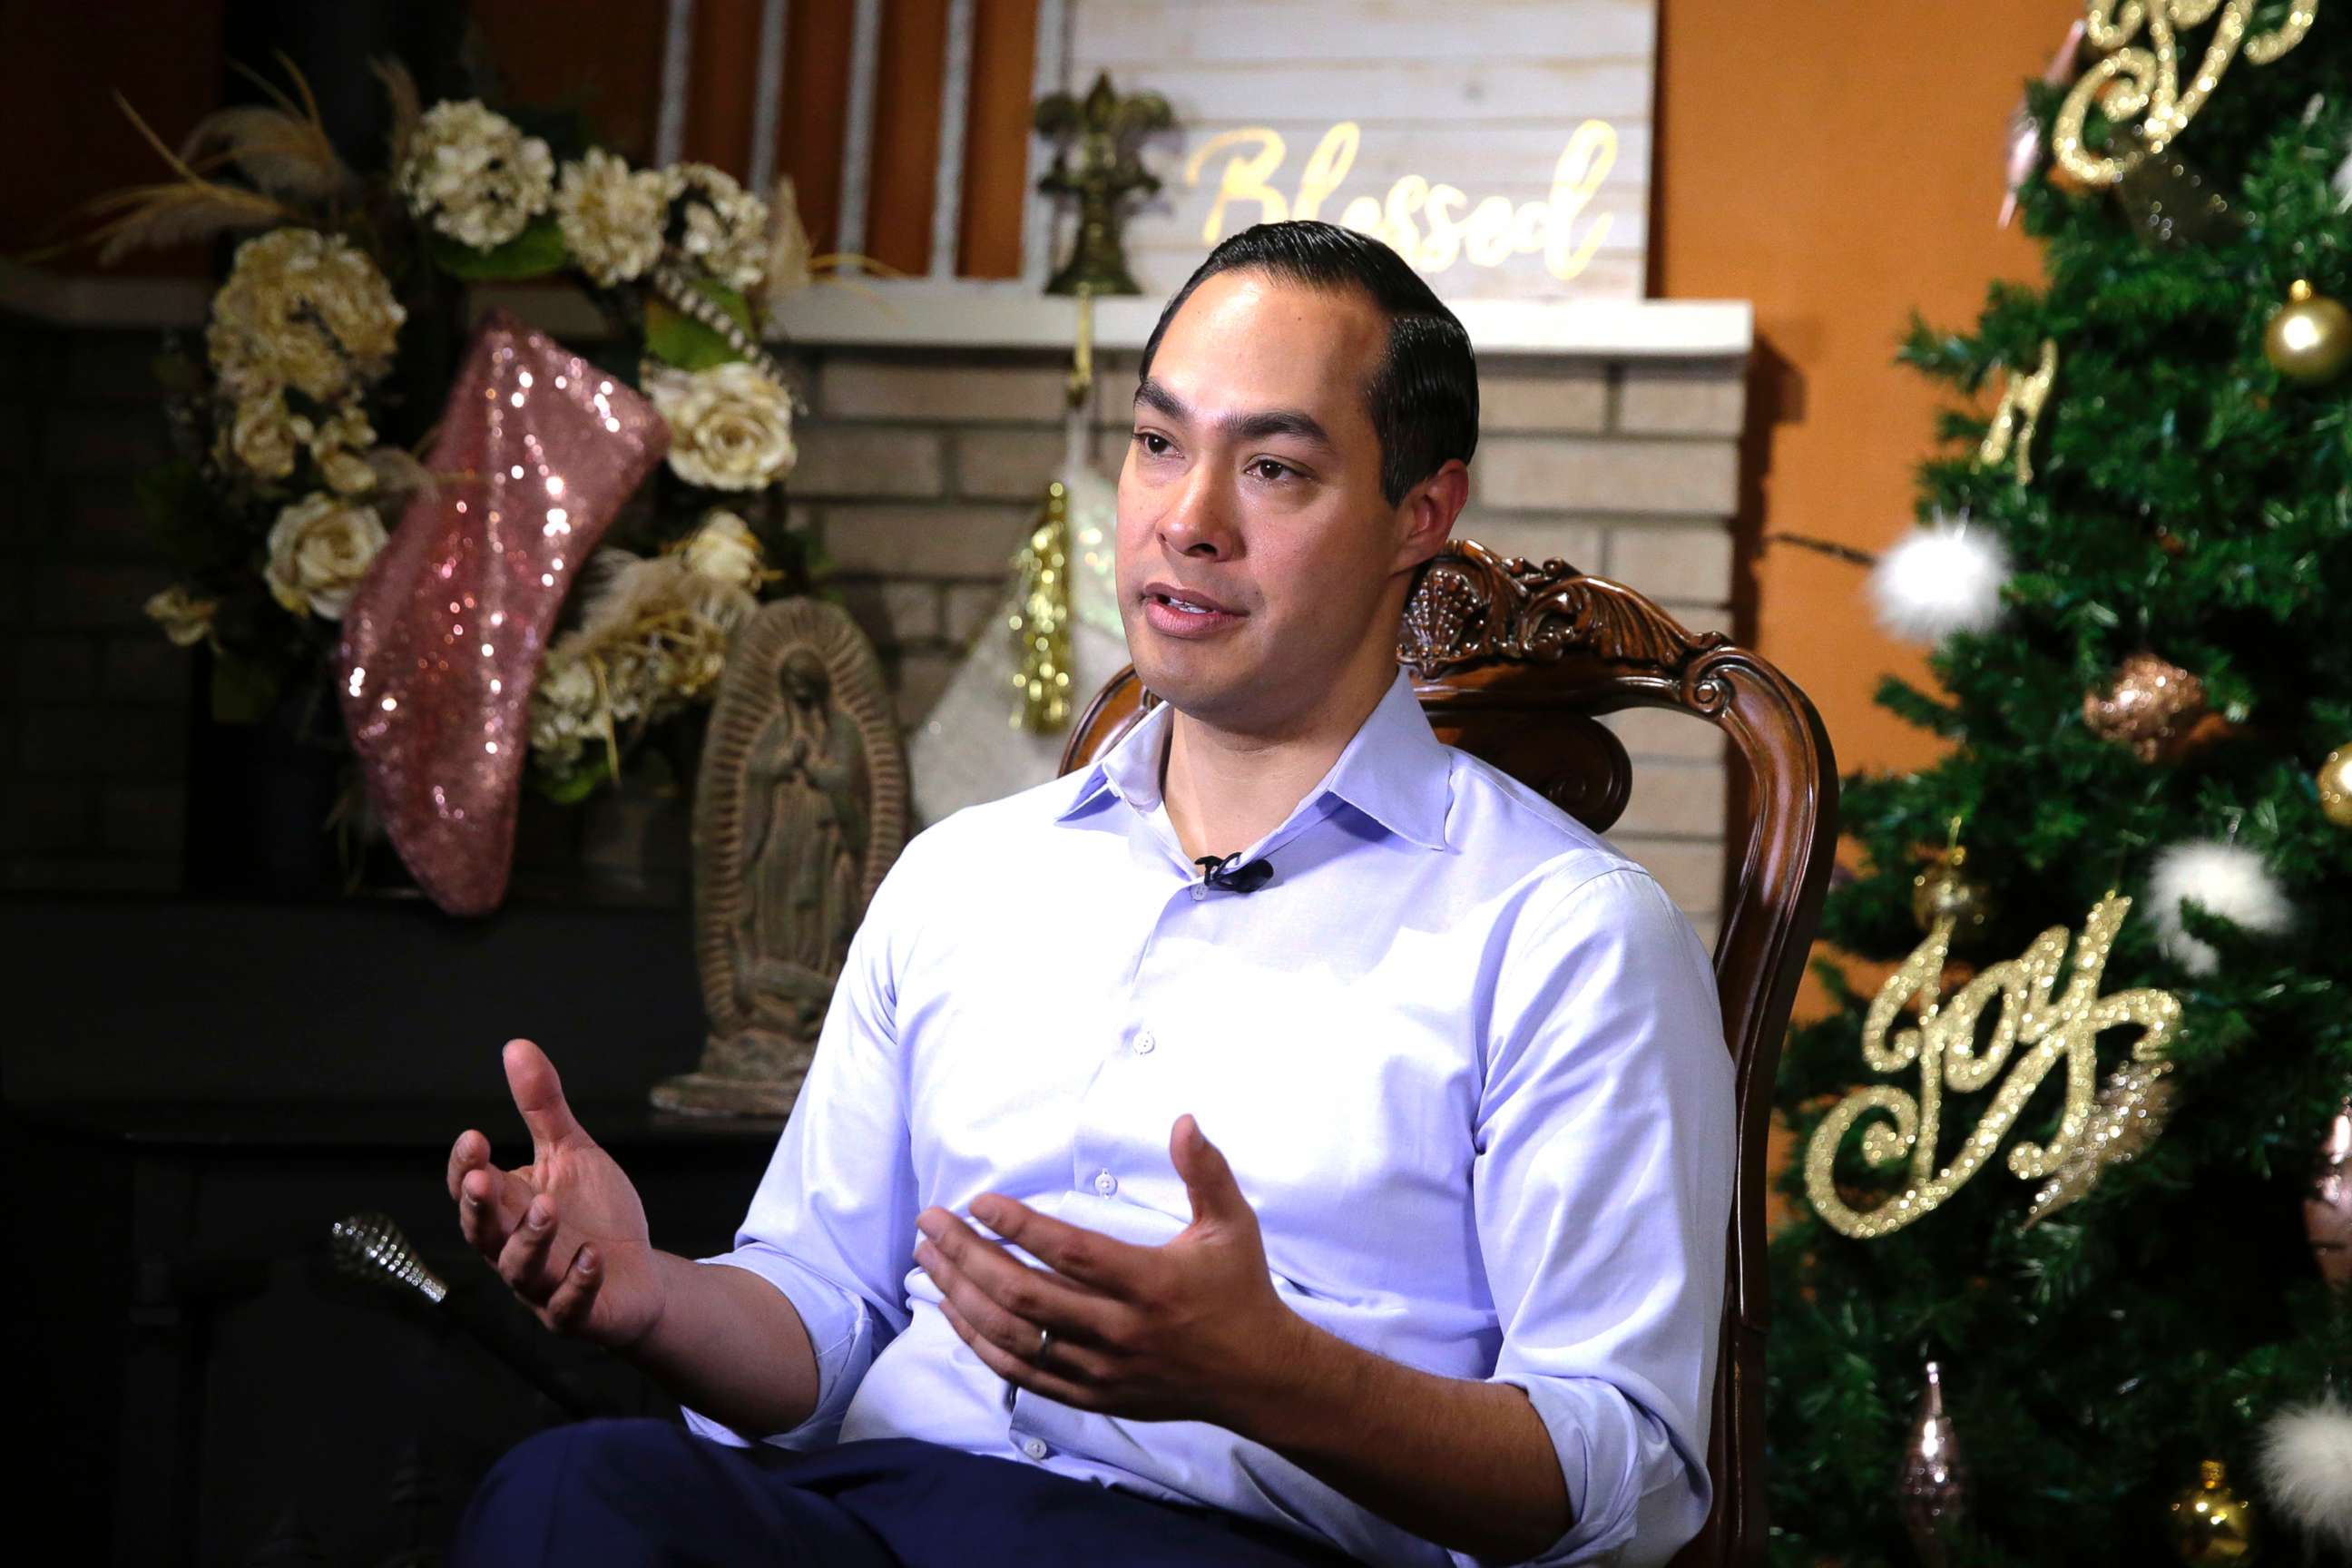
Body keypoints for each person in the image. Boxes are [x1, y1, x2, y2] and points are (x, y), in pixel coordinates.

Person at [446, 220, 1733, 1567]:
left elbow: (1623, 1476)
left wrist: (1269, 1375)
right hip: (884, 1515)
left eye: (1277, 467)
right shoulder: (966, 876)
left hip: (1227, 1546)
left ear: (1422, 514)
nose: (1189, 520)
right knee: (568, 1497)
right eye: (1160, 443)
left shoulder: (1565, 933)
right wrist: (646, 1295)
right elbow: (823, 1316)